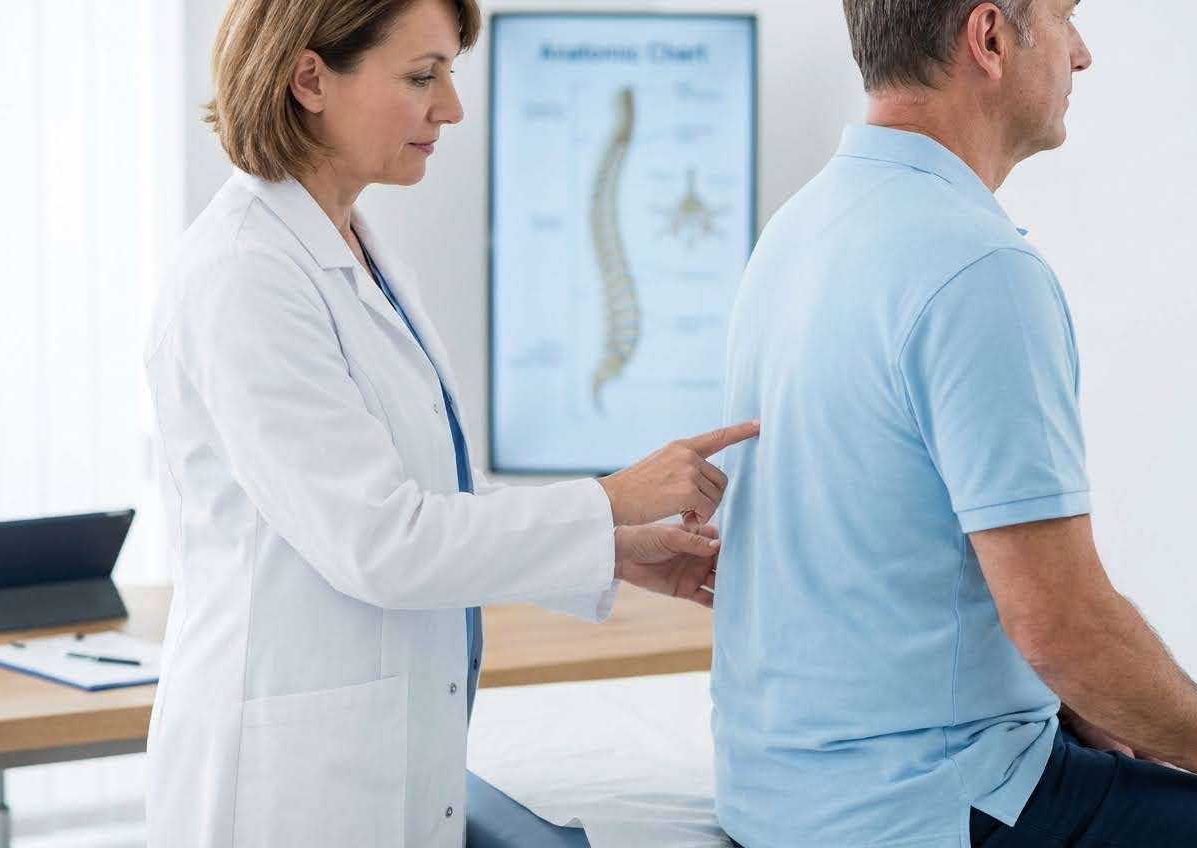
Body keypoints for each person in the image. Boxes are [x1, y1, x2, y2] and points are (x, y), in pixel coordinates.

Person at [142, 1, 758, 846]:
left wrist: (609, 551)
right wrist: (609, 499)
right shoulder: (245, 274)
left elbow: (433, 499)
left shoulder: (356, 247)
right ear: (310, 78)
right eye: (422, 76)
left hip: (373, 759)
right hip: (287, 786)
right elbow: (382, 542)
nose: (452, 108)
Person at [710, 1, 1197, 846]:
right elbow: (1061, 628)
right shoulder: (978, 266)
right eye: (1067, 17)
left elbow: (875, 545)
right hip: (923, 811)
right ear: (991, 37)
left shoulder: (795, 232)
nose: (1083, 53)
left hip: (776, 799)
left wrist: (1082, 699)